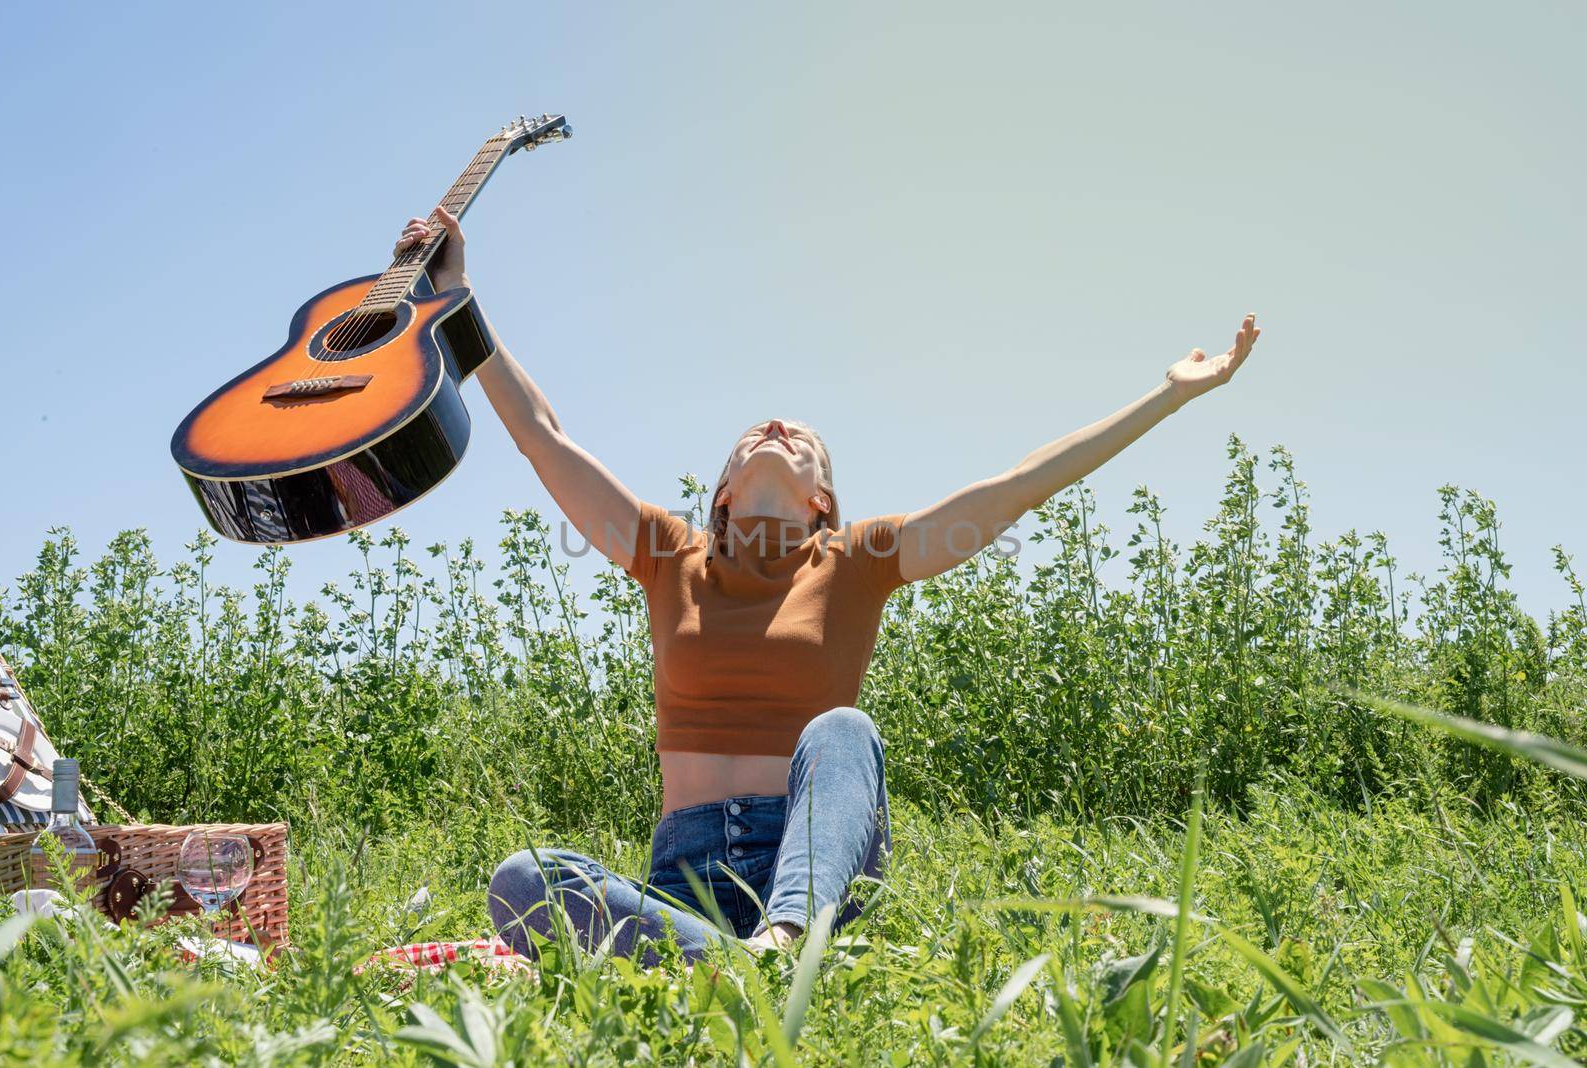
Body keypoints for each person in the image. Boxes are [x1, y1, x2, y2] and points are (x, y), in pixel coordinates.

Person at [395, 206, 1261, 964]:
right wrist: (455, 299)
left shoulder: (855, 562)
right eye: (756, 432)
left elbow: (1017, 486)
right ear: (724, 492)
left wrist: (1167, 397)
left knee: (845, 728)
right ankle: (736, 971)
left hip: (805, 868)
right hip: (681, 884)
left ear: (823, 500)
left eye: (802, 436)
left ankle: (779, 943)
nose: (778, 427)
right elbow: (542, 435)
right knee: (525, 881)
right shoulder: (667, 553)